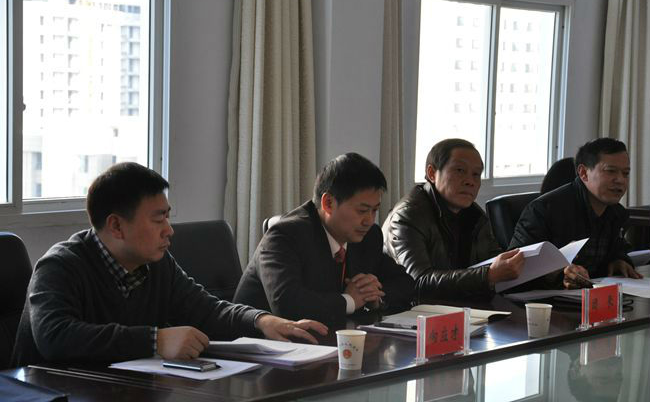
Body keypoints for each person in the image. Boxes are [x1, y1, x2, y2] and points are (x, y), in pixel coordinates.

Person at [12, 163, 327, 367]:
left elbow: (207, 310)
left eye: (168, 216)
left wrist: (261, 321)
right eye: (158, 219)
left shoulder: (157, 265)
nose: (169, 230)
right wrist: (155, 340)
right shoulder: (60, 266)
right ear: (116, 226)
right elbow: (55, 337)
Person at [234, 153, 415, 324]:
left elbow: (405, 284)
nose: (369, 220)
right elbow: (287, 305)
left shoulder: (368, 236)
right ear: (328, 203)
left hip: (326, 337)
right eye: (362, 210)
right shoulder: (285, 235)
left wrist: (374, 296)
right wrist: (350, 301)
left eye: (374, 210)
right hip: (255, 341)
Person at [382, 138, 524, 302]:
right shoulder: (407, 216)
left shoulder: (475, 216)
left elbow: (493, 262)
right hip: (411, 311)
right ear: (432, 173)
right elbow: (418, 284)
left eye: (476, 174)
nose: (470, 181)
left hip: (462, 308)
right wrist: (487, 276)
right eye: (460, 170)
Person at [510, 138, 642, 289]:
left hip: (591, 296)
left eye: (625, 173)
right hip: (545, 299)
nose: (620, 180)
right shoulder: (542, 210)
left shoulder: (617, 213)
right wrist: (559, 275)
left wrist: (619, 260)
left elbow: (619, 249)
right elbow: (515, 269)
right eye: (611, 171)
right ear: (584, 173)